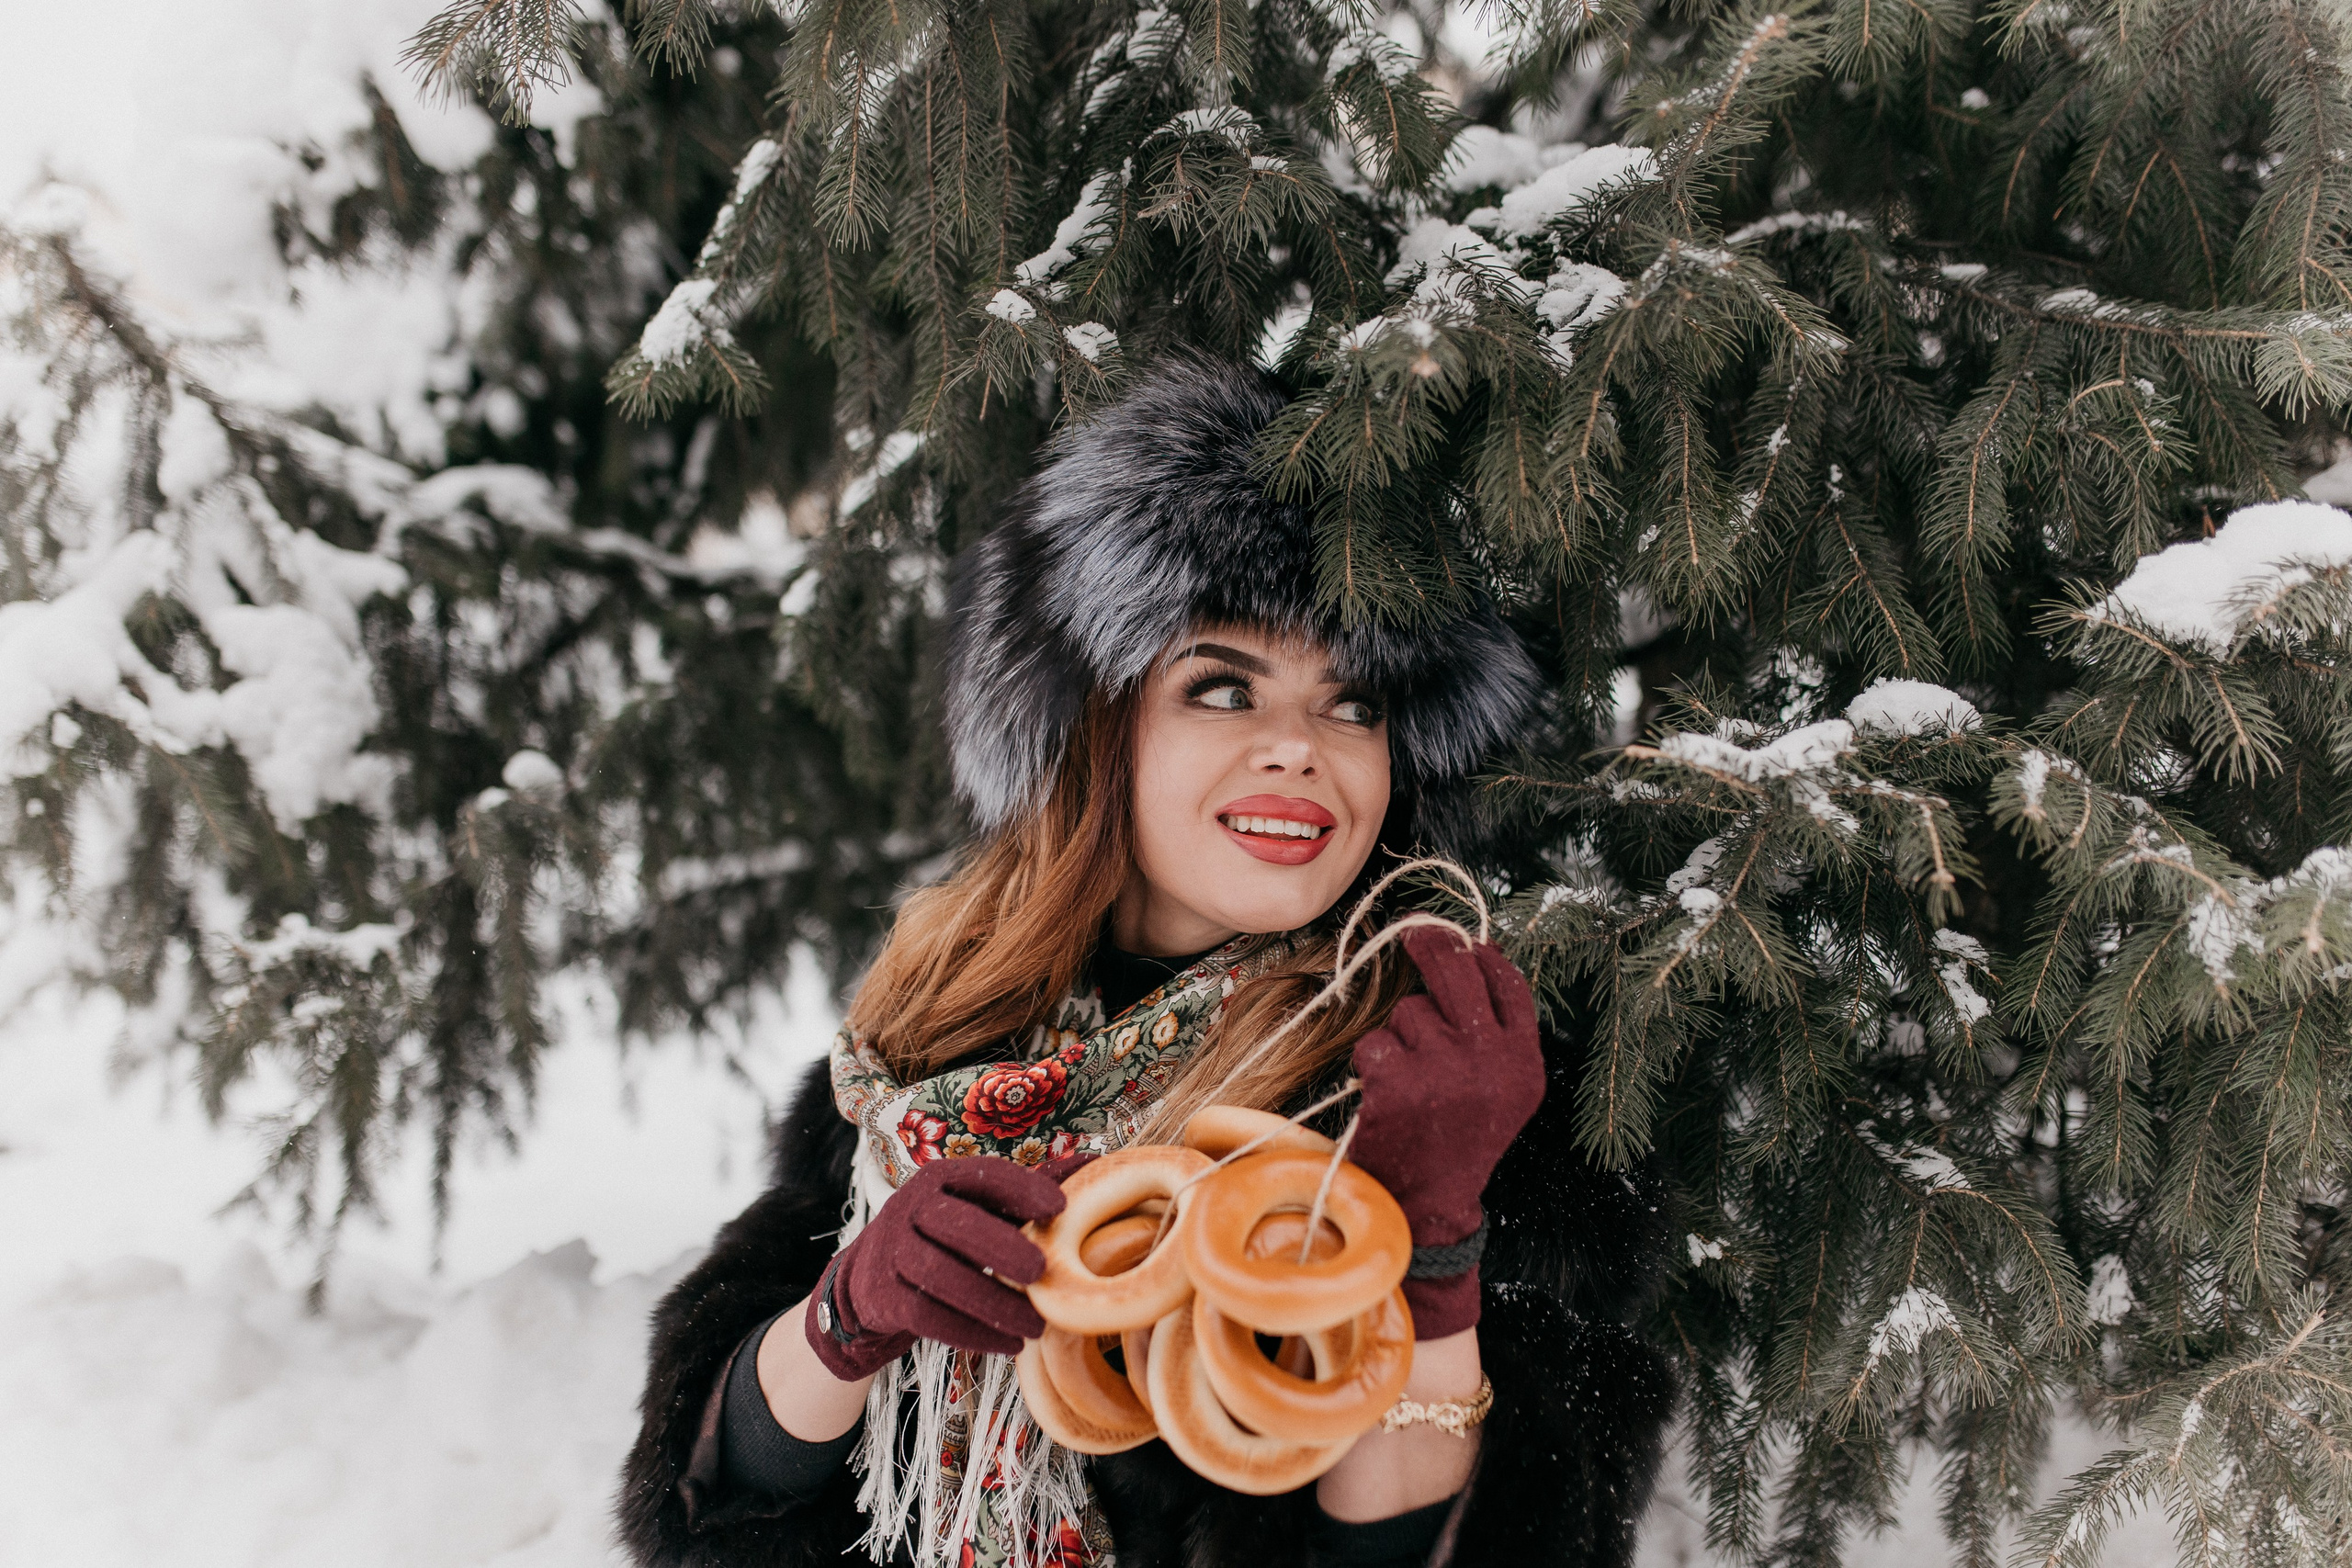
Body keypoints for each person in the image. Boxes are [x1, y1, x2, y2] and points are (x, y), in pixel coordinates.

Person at [615, 358, 1673, 1568]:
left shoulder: (1461, 1083)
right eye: (1223, 687)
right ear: (1097, 731)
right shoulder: (931, 1052)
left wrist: (1432, 1248)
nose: (1296, 750)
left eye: (1355, 702)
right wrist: (843, 1321)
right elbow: (711, 1509)